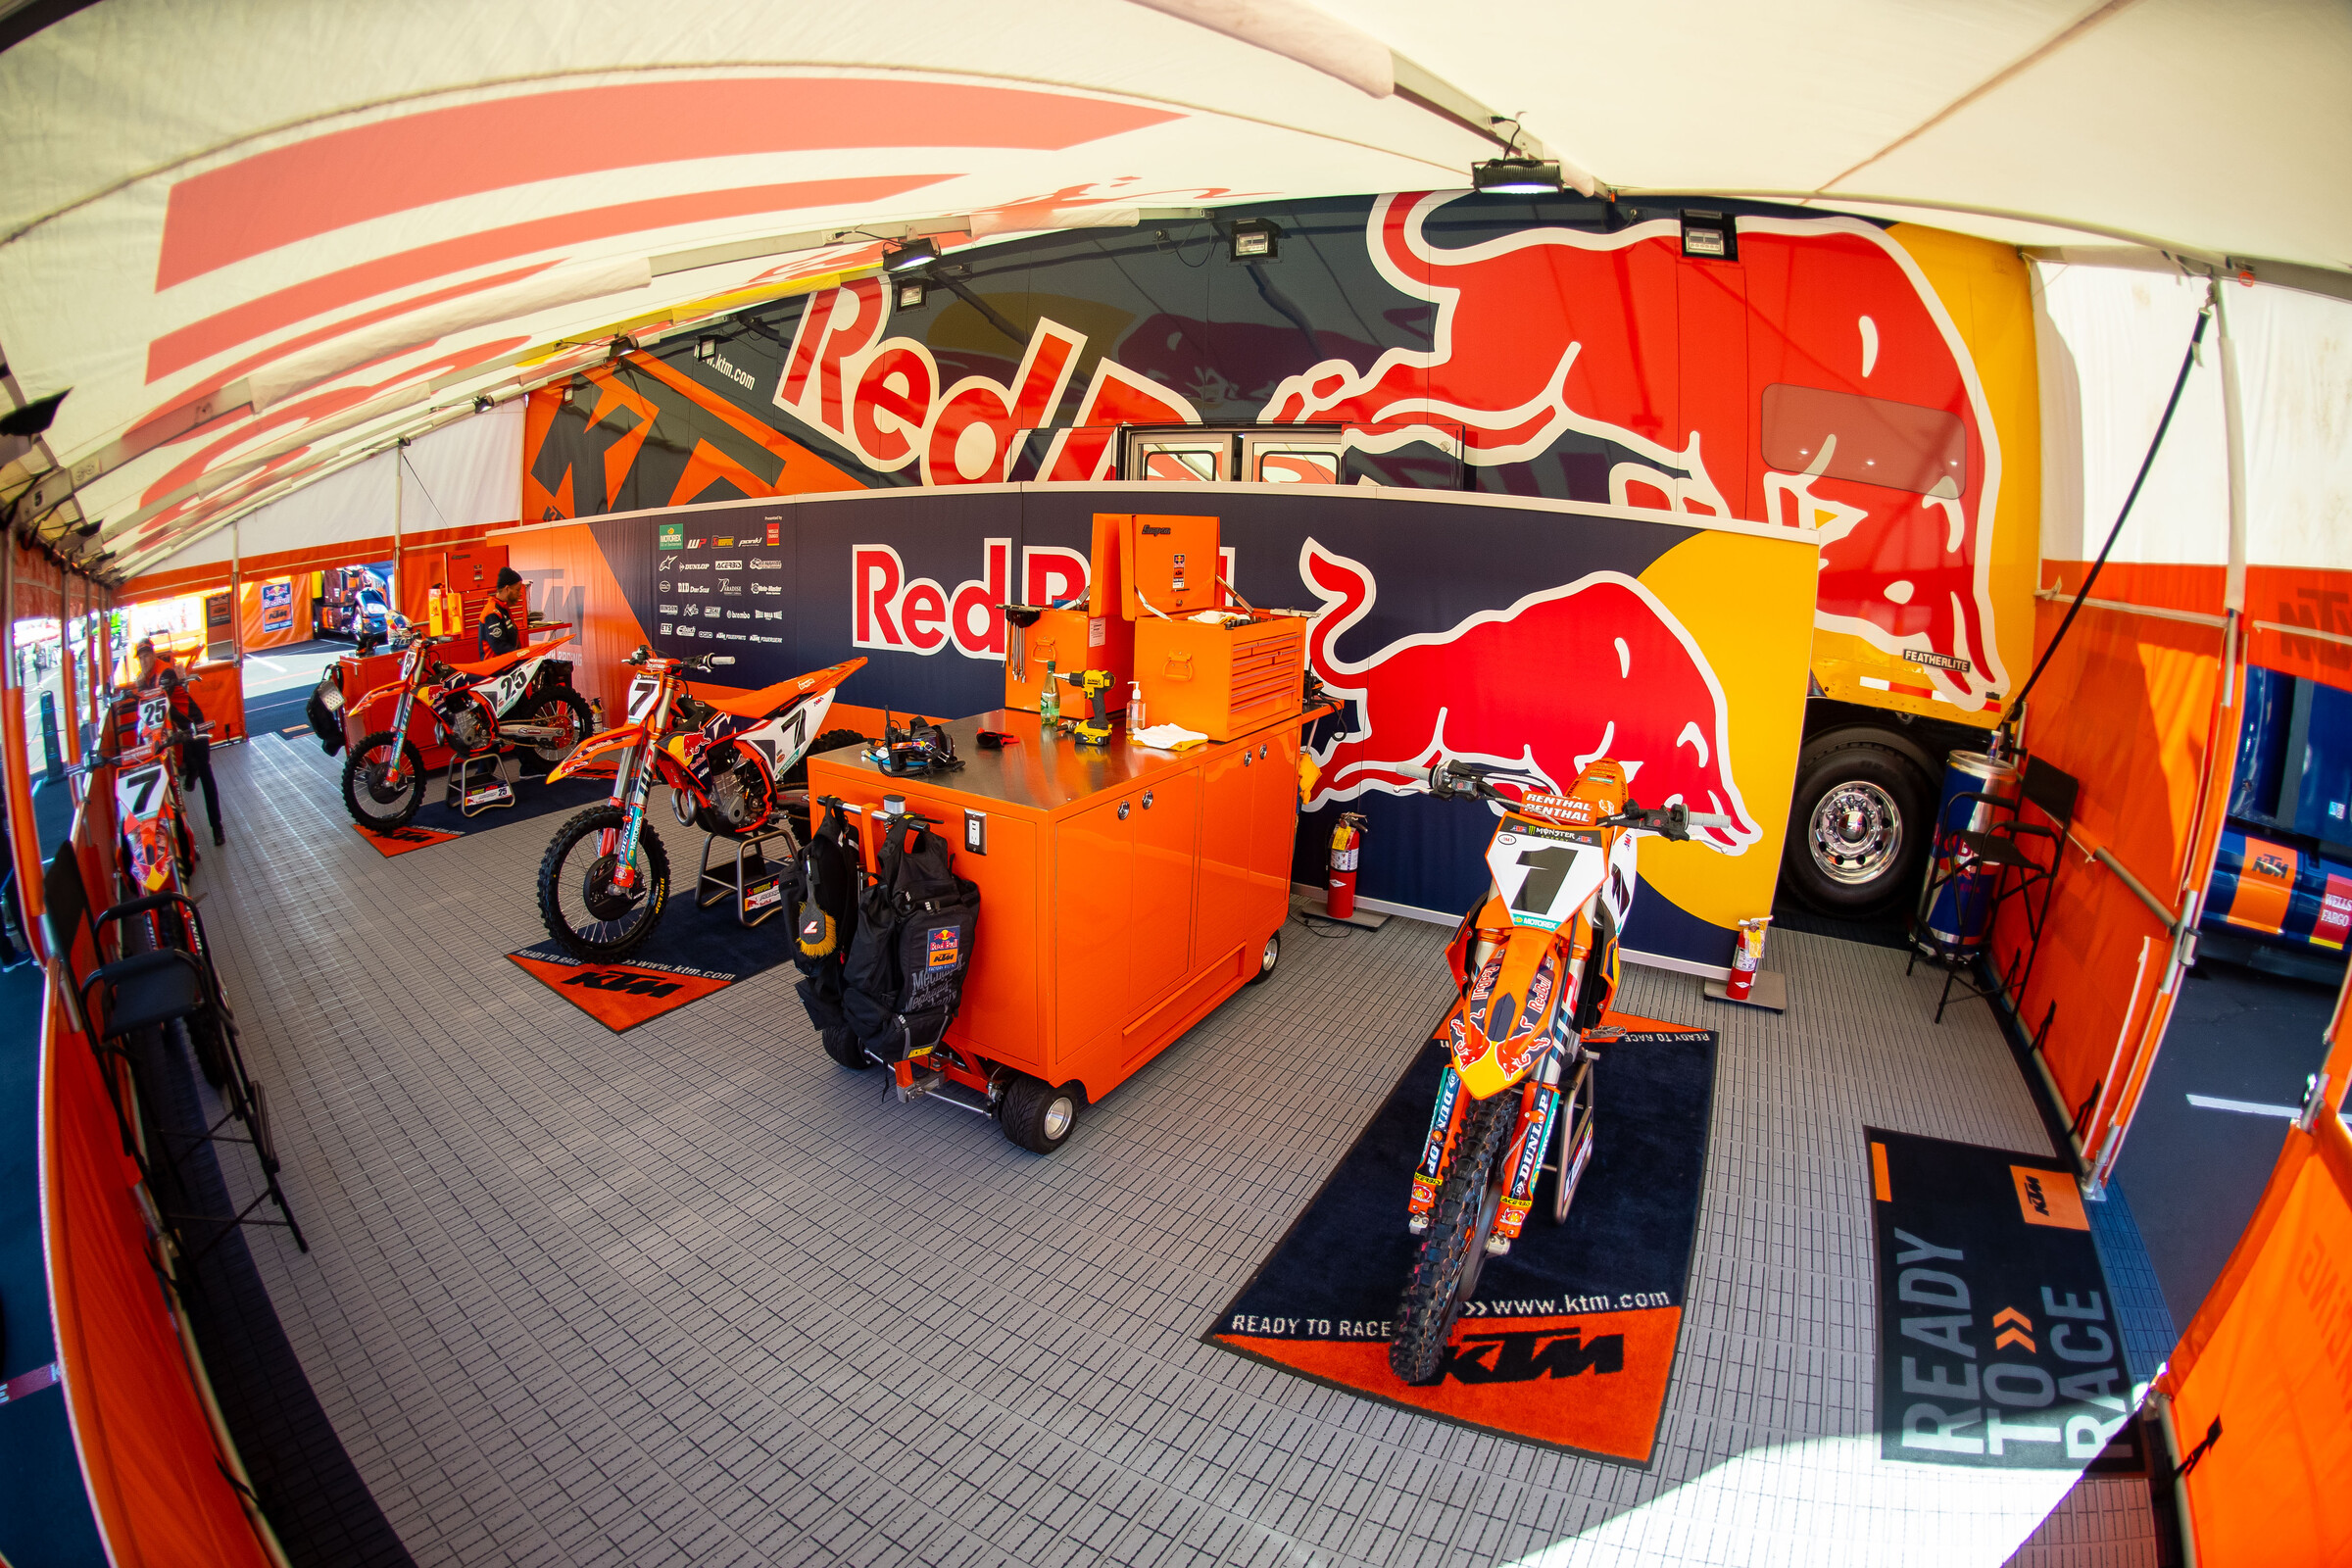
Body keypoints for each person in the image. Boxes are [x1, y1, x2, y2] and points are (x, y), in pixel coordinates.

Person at [131, 637, 224, 848]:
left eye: (147, 656)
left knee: (205, 773)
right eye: (141, 658)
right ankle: (181, 838)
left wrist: (141, 691)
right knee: (172, 778)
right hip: (174, 734)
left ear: (153, 655)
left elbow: (161, 703)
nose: (144, 661)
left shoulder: (165, 672)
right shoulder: (144, 678)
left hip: (192, 724)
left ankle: (217, 827)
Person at [479, 566, 526, 657]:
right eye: (517, 590)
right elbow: (500, 647)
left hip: (508, 664)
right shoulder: (492, 612)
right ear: (507, 589)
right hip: (497, 667)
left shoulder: (503, 608)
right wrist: (522, 655)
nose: (520, 593)